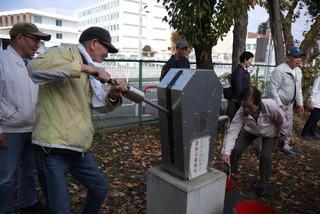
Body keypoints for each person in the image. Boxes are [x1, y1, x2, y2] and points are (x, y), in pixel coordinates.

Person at [27, 27, 128, 213]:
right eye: (107, 48)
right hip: (53, 148)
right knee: (60, 209)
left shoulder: (92, 71)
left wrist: (113, 94)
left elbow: (100, 107)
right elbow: (35, 67)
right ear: (94, 43)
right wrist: (87, 68)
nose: (107, 54)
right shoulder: (64, 53)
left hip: (78, 148)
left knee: (99, 189)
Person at [0, 22, 50, 213]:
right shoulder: (2, 60)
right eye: (34, 39)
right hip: (9, 130)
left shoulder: (33, 64)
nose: (37, 44)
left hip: (32, 128)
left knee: (31, 171)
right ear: (19, 38)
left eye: (39, 41)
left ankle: (28, 202)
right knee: (5, 177)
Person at [221, 86, 288, 196]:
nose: (246, 110)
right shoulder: (242, 111)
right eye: (244, 106)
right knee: (236, 149)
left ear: (258, 103)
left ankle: (263, 184)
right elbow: (233, 130)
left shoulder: (271, 106)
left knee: (265, 156)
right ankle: (229, 174)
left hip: (270, 132)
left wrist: (284, 138)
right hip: (251, 130)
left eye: (249, 107)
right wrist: (226, 153)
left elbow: (283, 121)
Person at [269, 46, 304, 156]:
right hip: (279, 103)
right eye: (295, 57)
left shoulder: (298, 71)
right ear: (288, 57)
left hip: (290, 104)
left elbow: (298, 88)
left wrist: (300, 104)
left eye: (299, 57)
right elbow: (272, 87)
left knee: (288, 126)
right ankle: (270, 145)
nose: (298, 59)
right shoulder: (280, 70)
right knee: (277, 124)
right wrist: (279, 104)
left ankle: (284, 145)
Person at [301, 74, 320, 141]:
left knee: (316, 119)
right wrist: (311, 101)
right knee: (312, 119)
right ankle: (304, 133)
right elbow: (314, 90)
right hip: (316, 103)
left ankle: (312, 133)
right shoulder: (319, 78)